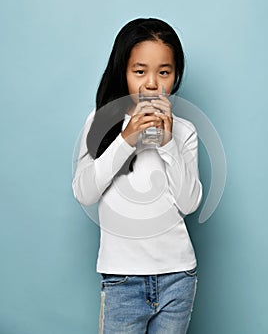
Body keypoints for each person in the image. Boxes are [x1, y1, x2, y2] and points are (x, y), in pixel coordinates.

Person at [72, 17, 203, 334]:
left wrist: (168, 142)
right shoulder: (100, 122)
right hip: (122, 278)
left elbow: (189, 203)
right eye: (140, 71)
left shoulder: (185, 131)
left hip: (178, 276)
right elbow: (84, 192)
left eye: (164, 72)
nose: (152, 84)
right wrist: (126, 139)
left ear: (175, 75)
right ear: (123, 72)